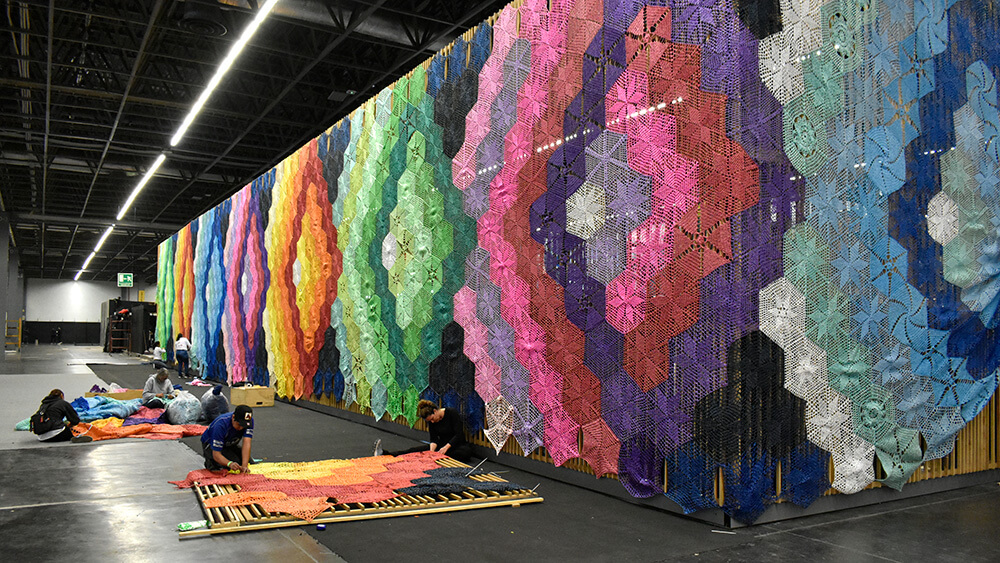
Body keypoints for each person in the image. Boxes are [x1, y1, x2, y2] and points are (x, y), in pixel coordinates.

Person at [379, 400, 473, 463]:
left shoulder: (452, 413)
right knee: (414, 450)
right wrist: (431, 451)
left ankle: (440, 455)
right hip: (441, 446)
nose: (432, 422)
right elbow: (434, 439)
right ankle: (387, 454)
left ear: (435, 411)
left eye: (432, 419)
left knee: (465, 452)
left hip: (456, 445)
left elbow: (459, 434)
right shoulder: (432, 422)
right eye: (430, 421)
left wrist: (446, 448)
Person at [201, 404, 254, 472]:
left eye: (243, 426)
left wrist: (244, 465)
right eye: (239, 425)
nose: (241, 428)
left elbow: (247, 442)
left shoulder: (249, 421)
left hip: (229, 443)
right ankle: (210, 462)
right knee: (231, 466)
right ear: (233, 417)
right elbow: (216, 454)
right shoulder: (220, 425)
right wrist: (229, 464)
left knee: (249, 463)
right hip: (211, 445)